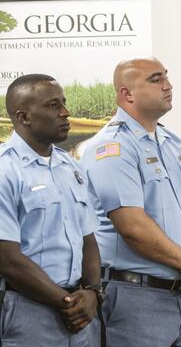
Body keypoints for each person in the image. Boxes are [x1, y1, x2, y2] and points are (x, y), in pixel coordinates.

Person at [81, 57, 181, 347]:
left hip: (179, 293)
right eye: (156, 80)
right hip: (134, 295)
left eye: (167, 77)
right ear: (126, 94)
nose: (168, 85)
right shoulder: (112, 147)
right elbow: (132, 226)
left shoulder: (174, 143)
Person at [0, 74, 101, 345]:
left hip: (82, 313)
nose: (65, 113)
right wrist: (68, 301)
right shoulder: (5, 170)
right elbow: (8, 258)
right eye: (53, 105)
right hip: (29, 311)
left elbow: (89, 238)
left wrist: (92, 292)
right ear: (24, 117)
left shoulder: (70, 167)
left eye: (63, 103)